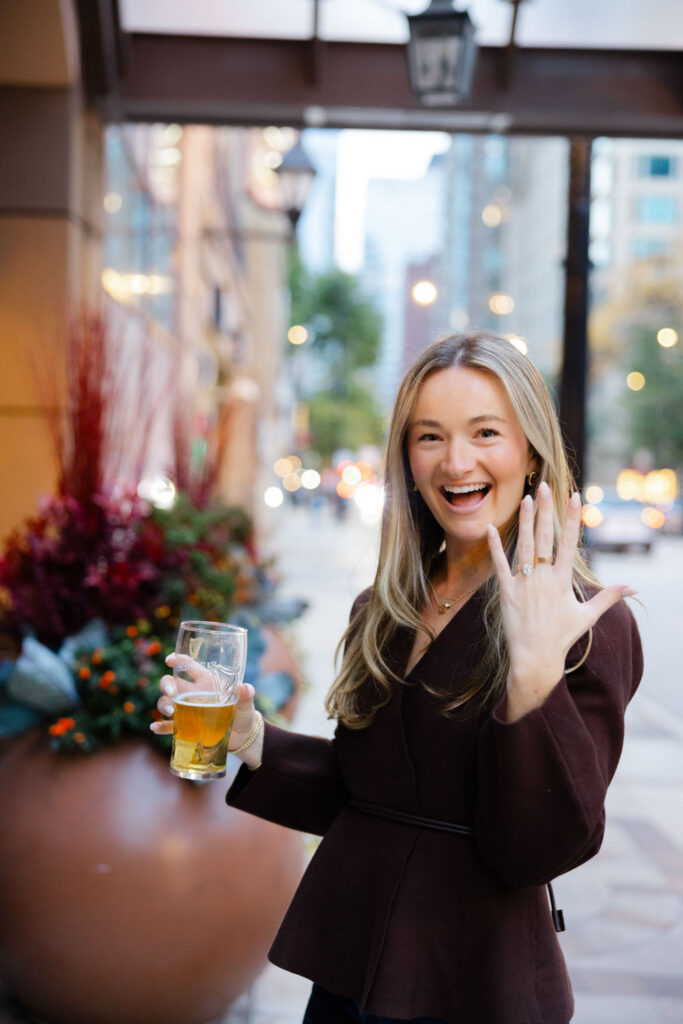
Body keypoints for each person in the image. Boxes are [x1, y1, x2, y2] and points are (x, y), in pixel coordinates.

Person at [152, 331, 643, 1024]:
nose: (455, 461)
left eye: (484, 432)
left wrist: (532, 680)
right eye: (429, 436)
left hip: (473, 982)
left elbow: (540, 848)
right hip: (353, 959)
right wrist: (253, 739)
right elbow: (371, 800)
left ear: (531, 450)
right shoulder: (385, 606)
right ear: (407, 458)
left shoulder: (583, 623)